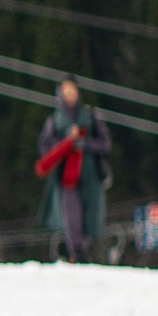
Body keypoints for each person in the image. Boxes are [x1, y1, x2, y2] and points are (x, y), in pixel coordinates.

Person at [36, 77, 112, 264]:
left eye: (72, 90)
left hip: (90, 176)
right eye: (65, 91)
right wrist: (66, 142)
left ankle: (83, 251)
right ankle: (77, 254)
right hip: (66, 178)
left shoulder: (91, 116)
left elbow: (105, 143)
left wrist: (84, 144)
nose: (69, 94)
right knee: (72, 219)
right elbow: (44, 146)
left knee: (92, 218)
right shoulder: (54, 119)